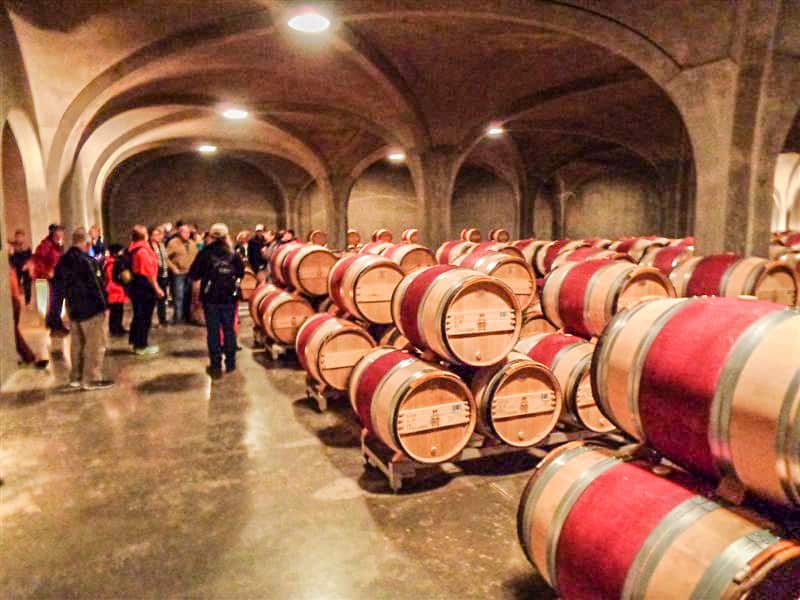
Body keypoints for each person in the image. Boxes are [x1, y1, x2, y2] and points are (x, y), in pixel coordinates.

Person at [53, 227, 113, 390]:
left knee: (77, 345)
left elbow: (57, 290)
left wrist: (55, 314)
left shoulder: (62, 262)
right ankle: (92, 379)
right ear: (86, 244)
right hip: (92, 310)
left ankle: (76, 378)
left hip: (74, 310)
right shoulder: (87, 261)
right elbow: (96, 286)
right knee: (95, 345)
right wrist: (105, 306)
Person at [189, 223, 245, 379]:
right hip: (229, 296)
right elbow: (241, 272)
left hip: (210, 297)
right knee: (229, 329)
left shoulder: (205, 253)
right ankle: (231, 363)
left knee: (213, 331)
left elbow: (194, 274)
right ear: (226, 235)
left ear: (211, 236)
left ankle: (215, 364)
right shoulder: (232, 253)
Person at [128, 225, 164, 355]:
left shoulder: (133, 247)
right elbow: (148, 272)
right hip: (143, 286)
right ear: (145, 236)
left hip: (137, 285)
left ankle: (135, 341)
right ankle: (141, 345)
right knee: (144, 316)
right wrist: (157, 288)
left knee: (139, 314)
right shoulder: (142, 251)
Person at [31, 224, 68, 336]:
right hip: (54, 276)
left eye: (62, 231)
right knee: (56, 300)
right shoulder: (46, 245)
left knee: (57, 300)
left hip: (59, 275)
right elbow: (38, 259)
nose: (61, 233)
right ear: (53, 232)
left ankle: (55, 323)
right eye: (59, 231)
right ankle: (54, 325)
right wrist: (47, 271)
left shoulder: (56, 245)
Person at [166, 224, 197, 323]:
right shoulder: (173, 243)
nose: (187, 234)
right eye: (184, 232)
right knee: (178, 296)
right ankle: (178, 317)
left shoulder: (192, 243)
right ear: (179, 233)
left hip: (190, 273)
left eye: (188, 232)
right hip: (179, 273)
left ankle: (187, 316)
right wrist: (173, 267)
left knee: (188, 296)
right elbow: (166, 258)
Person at [9, 259, 36, 365]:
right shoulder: (11, 270)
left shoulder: (8, 271)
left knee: (13, 332)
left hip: (12, 302)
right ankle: (27, 356)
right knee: (13, 331)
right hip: (14, 301)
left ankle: (28, 356)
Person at [104, 244, 128, 337]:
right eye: (120, 251)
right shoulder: (115, 263)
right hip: (116, 289)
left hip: (111, 288)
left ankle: (117, 328)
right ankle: (116, 329)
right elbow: (116, 277)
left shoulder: (108, 262)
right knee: (117, 310)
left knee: (116, 310)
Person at [149, 225, 170, 327]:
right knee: (152, 299)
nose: (158, 236)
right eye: (156, 234)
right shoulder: (148, 246)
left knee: (163, 297)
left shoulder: (161, 245)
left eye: (159, 234)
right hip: (154, 275)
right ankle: (149, 320)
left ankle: (163, 319)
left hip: (163, 274)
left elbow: (165, 258)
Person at [9, 229, 32, 305]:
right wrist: (11, 254)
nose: (19, 238)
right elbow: (11, 260)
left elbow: (30, 258)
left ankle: (27, 302)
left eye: (21, 236)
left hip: (25, 268)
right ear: (15, 237)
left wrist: (27, 265)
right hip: (16, 268)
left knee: (27, 284)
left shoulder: (27, 247)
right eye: (18, 236)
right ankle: (16, 302)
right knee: (16, 285)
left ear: (23, 237)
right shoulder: (13, 247)